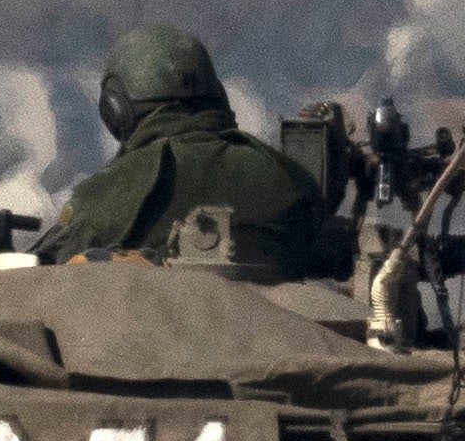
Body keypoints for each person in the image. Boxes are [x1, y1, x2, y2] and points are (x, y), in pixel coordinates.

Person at [42, 26, 323, 265]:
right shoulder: (291, 179)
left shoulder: (106, 197)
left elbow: (37, 270)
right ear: (217, 93)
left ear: (116, 109)